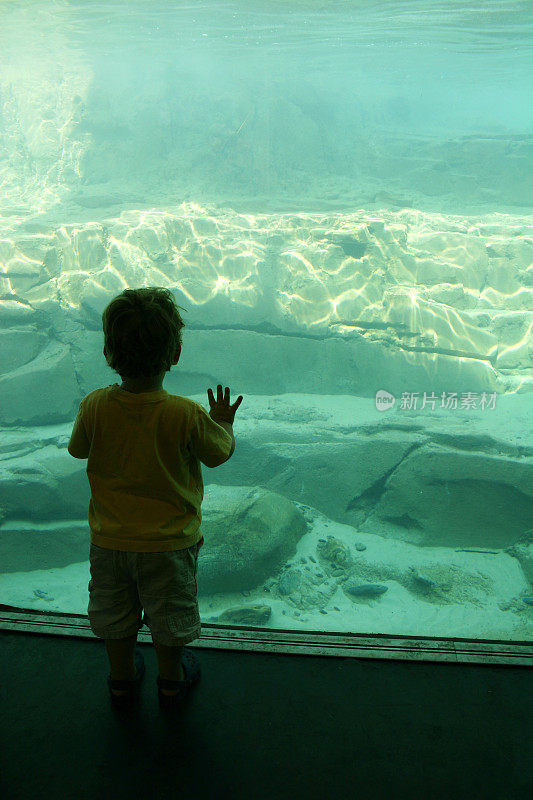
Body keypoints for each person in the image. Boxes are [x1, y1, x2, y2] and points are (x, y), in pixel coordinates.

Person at [67, 287, 243, 708]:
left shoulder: (95, 405)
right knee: (170, 619)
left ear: (109, 353)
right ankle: (171, 682)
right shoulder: (183, 413)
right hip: (169, 546)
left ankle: (122, 682)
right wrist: (223, 422)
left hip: (109, 543)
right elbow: (219, 454)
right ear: (175, 353)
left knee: (115, 617)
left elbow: (78, 449)